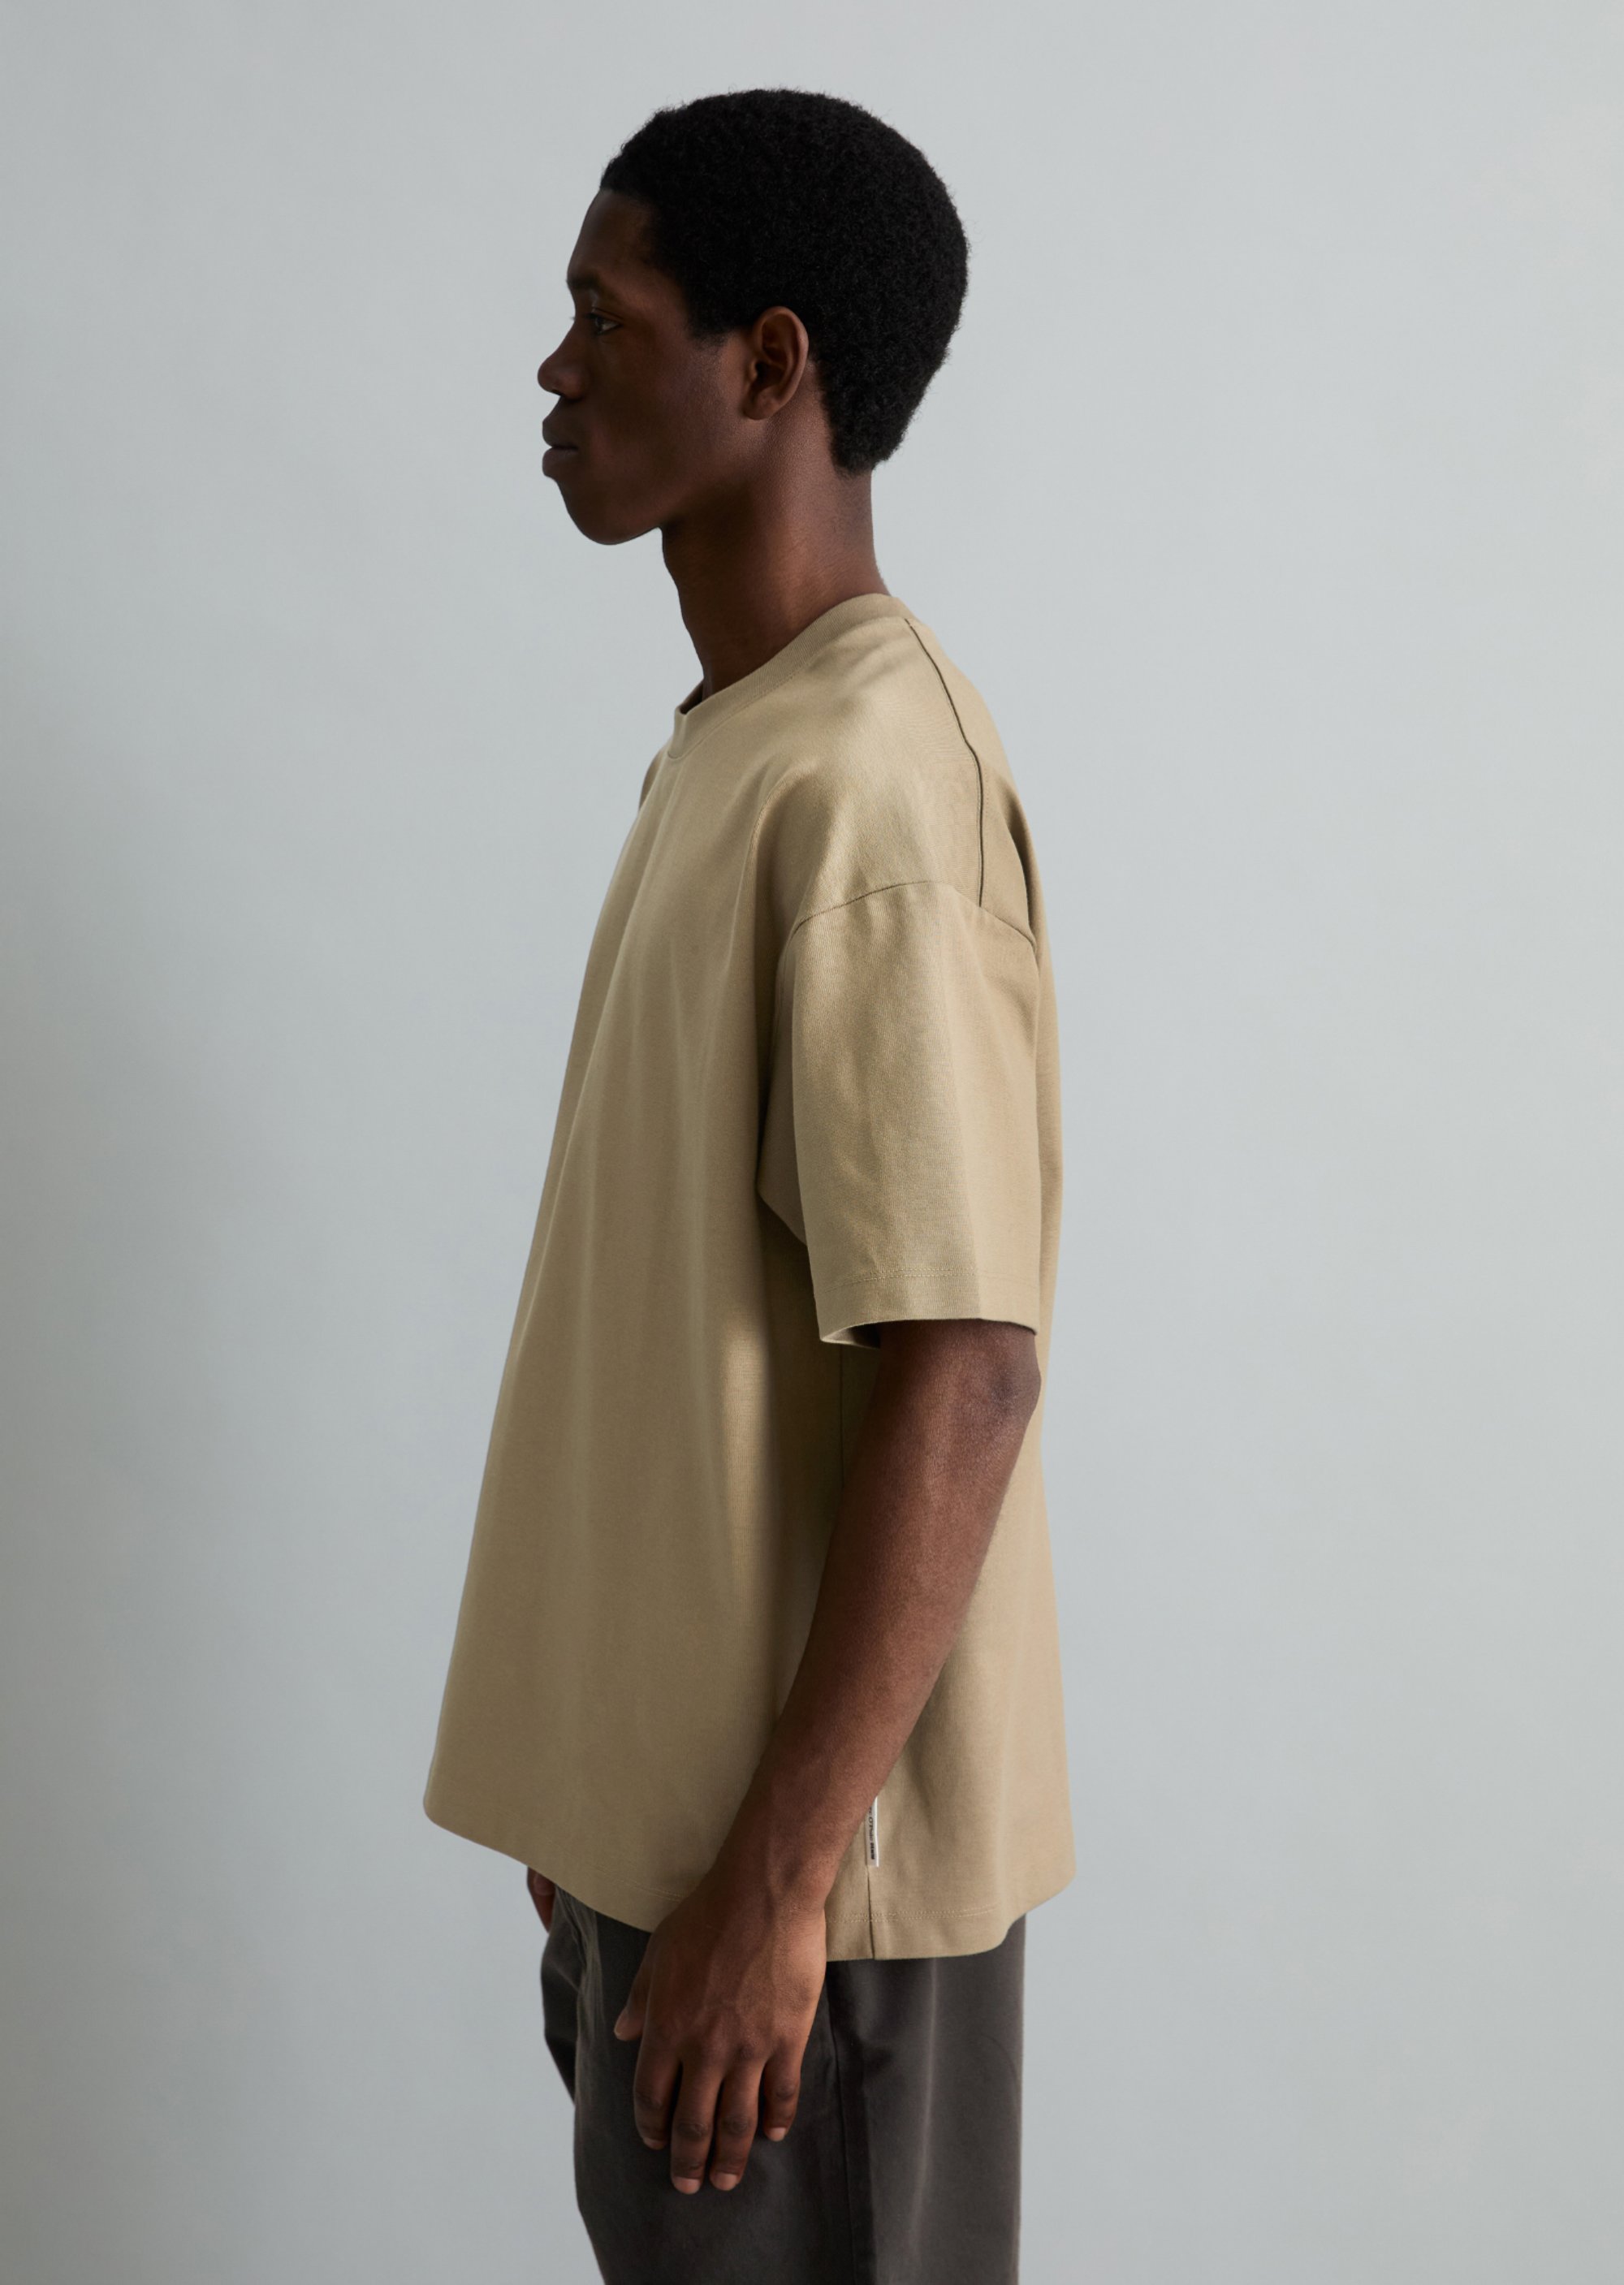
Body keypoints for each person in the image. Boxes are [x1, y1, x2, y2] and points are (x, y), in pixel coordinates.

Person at [423, 87, 1073, 2285]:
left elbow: (966, 1366)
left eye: (605, 316)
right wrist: (614, 1786)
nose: (555, 367)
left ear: (771, 363)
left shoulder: (873, 785)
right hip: (690, 1867)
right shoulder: (745, 744)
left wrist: (778, 1883)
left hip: (809, 1927)